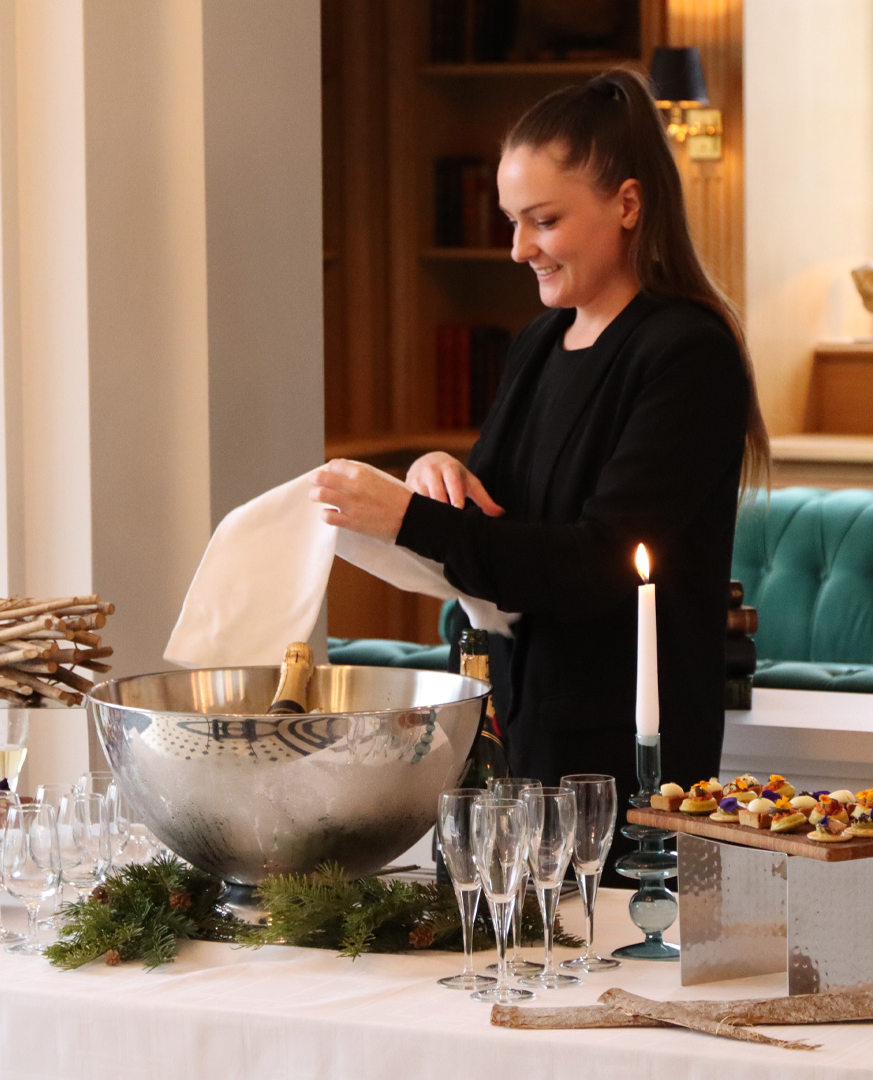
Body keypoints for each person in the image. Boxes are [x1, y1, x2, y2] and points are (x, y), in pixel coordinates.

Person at [313, 70, 767, 815]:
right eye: (511, 222)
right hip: (510, 722)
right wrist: (435, 474)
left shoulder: (688, 353)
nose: (520, 248)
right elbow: (496, 531)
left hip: (628, 754)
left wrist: (407, 518)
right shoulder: (538, 341)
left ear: (628, 204)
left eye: (544, 221)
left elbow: (599, 564)